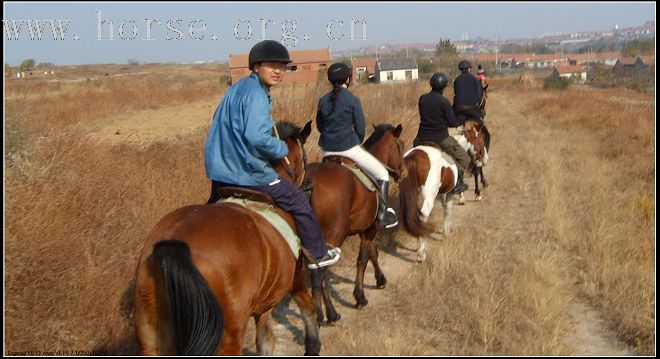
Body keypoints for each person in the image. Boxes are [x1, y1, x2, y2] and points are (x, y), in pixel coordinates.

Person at [204, 40, 340, 270]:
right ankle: (318, 253)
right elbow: (257, 138)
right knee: (298, 201)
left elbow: (226, 122)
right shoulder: (257, 94)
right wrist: (280, 148)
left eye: (282, 66)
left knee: (208, 211)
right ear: (256, 67)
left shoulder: (235, 89)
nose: (278, 71)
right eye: (271, 65)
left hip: (219, 171)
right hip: (247, 171)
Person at [316, 63, 398, 230]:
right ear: (348, 78)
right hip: (349, 149)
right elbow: (360, 128)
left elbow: (319, 126)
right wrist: (356, 140)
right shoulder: (352, 99)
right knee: (382, 174)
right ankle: (382, 215)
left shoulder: (322, 100)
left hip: (326, 151)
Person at [414, 72, 470, 194]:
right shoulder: (444, 102)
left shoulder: (422, 99)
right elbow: (452, 123)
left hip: (421, 137)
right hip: (440, 138)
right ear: (444, 86)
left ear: (431, 84)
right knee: (464, 158)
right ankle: (458, 182)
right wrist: (462, 118)